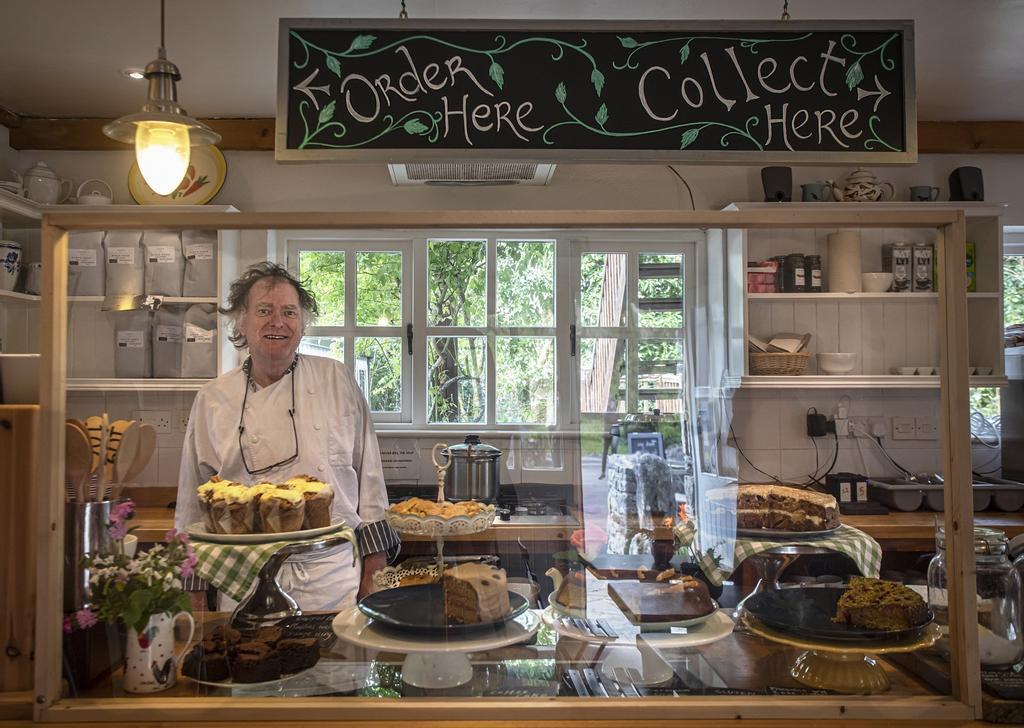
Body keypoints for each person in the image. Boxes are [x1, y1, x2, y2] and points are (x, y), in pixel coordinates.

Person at [176, 262, 399, 610]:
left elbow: (369, 480)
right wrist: (194, 590)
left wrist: (376, 569)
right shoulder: (213, 398)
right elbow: (192, 501)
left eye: (289, 312)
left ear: (302, 324)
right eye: (264, 310)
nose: (277, 322)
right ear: (241, 321)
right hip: (242, 577)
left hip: (330, 574)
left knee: (336, 665)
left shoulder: (335, 380)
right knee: (249, 663)